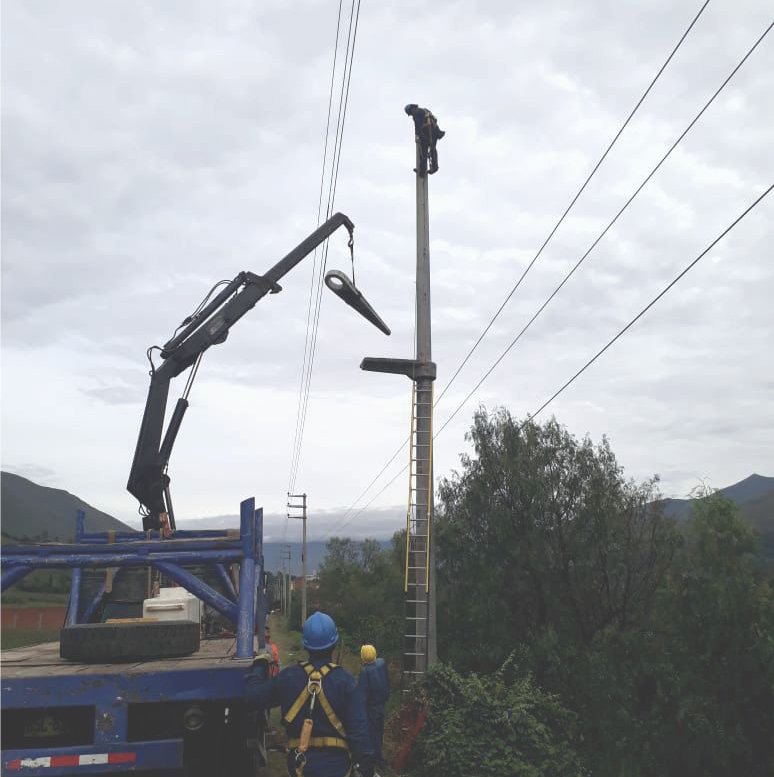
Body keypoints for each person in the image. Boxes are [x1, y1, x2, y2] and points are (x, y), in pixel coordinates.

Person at [247, 611, 374, 777]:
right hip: (337, 769)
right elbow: (360, 733)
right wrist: (366, 770)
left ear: (305, 645)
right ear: (334, 644)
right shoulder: (346, 683)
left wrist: (259, 666)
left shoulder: (289, 677)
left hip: (301, 767)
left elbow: (253, 698)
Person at [357, 645, 390, 766]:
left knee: (373, 732)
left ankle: (375, 759)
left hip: (371, 707)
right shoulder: (381, 663)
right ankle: (378, 755)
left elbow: (362, 694)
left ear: (363, 657)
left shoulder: (365, 672)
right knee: (379, 731)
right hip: (382, 703)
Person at [404, 104, 445, 176]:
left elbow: (418, 127)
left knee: (423, 152)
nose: (411, 115)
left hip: (427, 133)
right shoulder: (424, 110)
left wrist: (419, 136)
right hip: (434, 132)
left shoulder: (416, 113)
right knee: (433, 148)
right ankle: (434, 167)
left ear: (411, 110)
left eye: (410, 113)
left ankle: (422, 172)